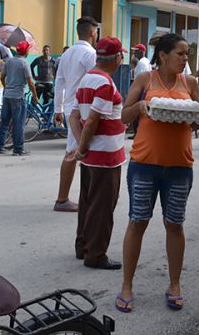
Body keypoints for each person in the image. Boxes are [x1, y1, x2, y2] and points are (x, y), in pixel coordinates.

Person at [116, 32, 199, 313]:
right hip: (144, 165)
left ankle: (174, 284)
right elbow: (123, 116)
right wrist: (139, 106)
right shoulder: (145, 80)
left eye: (187, 54)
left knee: (174, 224)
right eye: (181, 53)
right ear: (163, 55)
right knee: (137, 222)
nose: (185, 59)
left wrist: (196, 117)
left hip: (179, 166)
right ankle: (127, 285)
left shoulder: (190, 82)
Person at [68, 37, 127, 270]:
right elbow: (93, 119)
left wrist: (82, 148)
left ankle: (82, 245)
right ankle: (96, 254)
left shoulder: (86, 80)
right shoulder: (105, 83)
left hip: (91, 154)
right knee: (103, 206)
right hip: (106, 155)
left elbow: (75, 116)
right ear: (116, 58)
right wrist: (82, 147)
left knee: (87, 201)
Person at [53, 17, 99, 212]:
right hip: (82, 108)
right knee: (75, 153)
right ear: (92, 33)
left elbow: (59, 83)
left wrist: (58, 109)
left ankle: (69, 198)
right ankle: (63, 199)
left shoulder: (68, 53)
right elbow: (96, 82)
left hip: (72, 105)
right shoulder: (90, 54)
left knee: (75, 152)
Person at [0, 41, 38, 156]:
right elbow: (30, 82)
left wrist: (6, 88)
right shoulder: (24, 63)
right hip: (18, 97)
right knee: (19, 123)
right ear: (25, 51)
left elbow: (2, 77)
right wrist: (35, 96)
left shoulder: (9, 61)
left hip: (7, 96)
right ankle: (18, 149)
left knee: (4, 122)